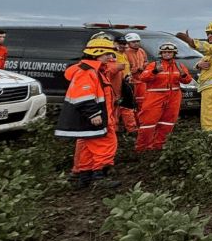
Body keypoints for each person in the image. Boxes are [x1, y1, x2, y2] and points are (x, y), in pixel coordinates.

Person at [55, 37, 122, 189]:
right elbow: (83, 95)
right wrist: (94, 114)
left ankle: (83, 177)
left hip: (88, 117)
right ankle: (100, 178)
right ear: (96, 54)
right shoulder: (88, 72)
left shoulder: (94, 70)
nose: (110, 57)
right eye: (107, 54)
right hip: (93, 117)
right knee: (106, 144)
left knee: (86, 147)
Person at [175, 22, 212, 133]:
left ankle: (211, 144)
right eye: (207, 33)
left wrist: (191, 41)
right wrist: (198, 65)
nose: (209, 36)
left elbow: (205, 47)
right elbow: (203, 60)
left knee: (210, 119)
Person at [135, 42, 192, 151]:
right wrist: (155, 71)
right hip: (155, 97)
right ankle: (142, 148)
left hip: (173, 98)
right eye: (164, 52)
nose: (166, 54)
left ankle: (158, 147)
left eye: (169, 52)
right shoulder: (154, 65)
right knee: (148, 123)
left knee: (167, 123)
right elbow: (143, 78)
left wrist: (183, 74)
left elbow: (188, 80)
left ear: (174, 53)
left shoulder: (179, 66)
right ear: (161, 54)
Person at [111, 36, 139, 134]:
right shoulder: (113, 55)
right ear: (114, 43)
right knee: (117, 106)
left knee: (127, 105)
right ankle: (116, 128)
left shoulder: (123, 55)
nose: (122, 45)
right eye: (120, 43)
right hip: (117, 84)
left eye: (124, 43)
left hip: (127, 83)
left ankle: (129, 127)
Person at [123, 33, 149, 123]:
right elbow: (125, 68)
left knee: (142, 102)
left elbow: (146, 61)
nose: (136, 43)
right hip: (131, 82)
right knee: (131, 103)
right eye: (133, 42)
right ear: (128, 42)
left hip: (141, 81)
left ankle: (141, 121)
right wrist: (137, 69)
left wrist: (144, 66)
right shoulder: (125, 52)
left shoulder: (141, 51)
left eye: (138, 41)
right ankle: (133, 123)